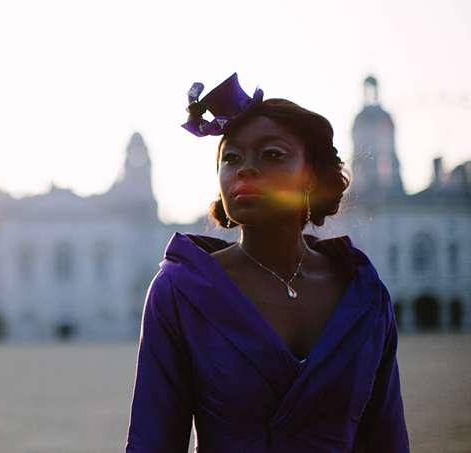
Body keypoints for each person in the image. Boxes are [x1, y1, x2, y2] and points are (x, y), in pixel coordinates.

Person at [124, 73, 409, 452]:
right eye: (231, 157)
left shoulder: (365, 295)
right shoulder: (182, 291)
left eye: (272, 154)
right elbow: (152, 442)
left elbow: (386, 438)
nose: (245, 168)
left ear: (310, 176)